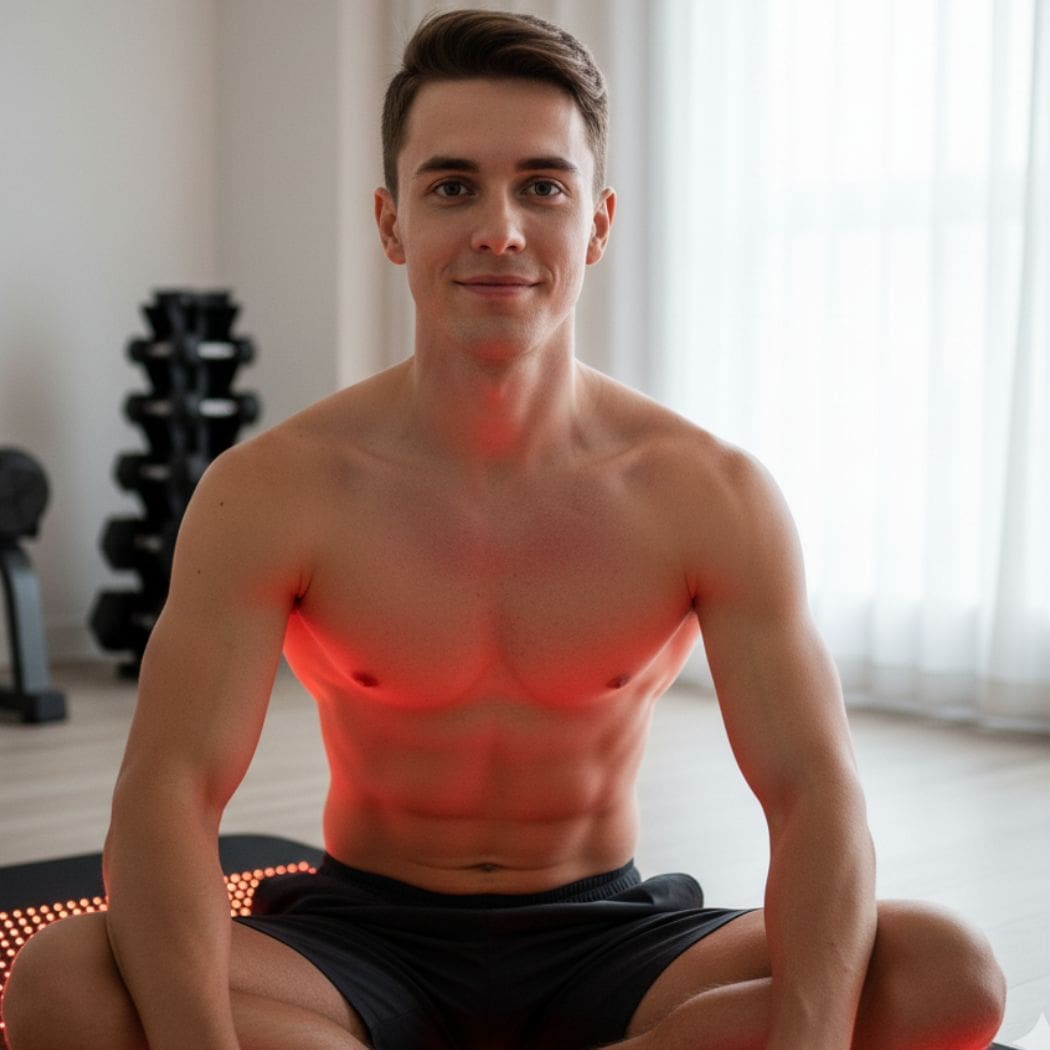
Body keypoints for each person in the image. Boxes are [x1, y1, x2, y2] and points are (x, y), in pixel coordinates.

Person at [2, 9, 1006, 1050]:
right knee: (63, 980)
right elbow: (166, 797)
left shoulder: (709, 493)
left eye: (542, 185)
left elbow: (814, 799)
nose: (500, 230)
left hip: (614, 939)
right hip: (360, 942)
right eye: (452, 187)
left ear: (598, 223)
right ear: (392, 224)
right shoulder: (273, 491)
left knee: (948, 973)